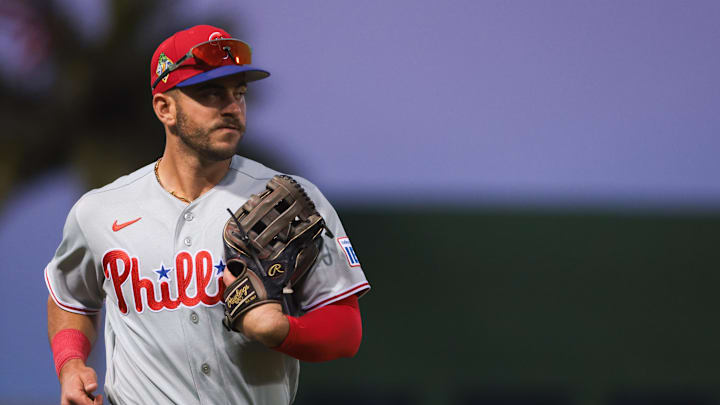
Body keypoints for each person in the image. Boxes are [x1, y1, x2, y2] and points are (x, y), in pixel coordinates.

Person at [45, 24, 370, 405]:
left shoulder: (290, 201)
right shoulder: (99, 211)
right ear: (164, 107)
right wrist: (70, 365)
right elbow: (70, 299)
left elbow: (346, 330)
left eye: (239, 94)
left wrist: (281, 330)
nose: (231, 107)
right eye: (211, 94)